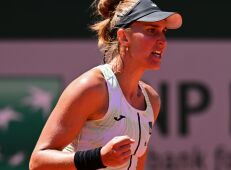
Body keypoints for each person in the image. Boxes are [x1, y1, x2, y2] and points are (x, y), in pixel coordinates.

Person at [29, 0, 182, 169]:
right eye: (151, 30)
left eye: (163, 31)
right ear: (124, 37)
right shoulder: (91, 87)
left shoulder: (151, 100)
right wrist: (99, 158)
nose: (162, 40)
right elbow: (38, 162)